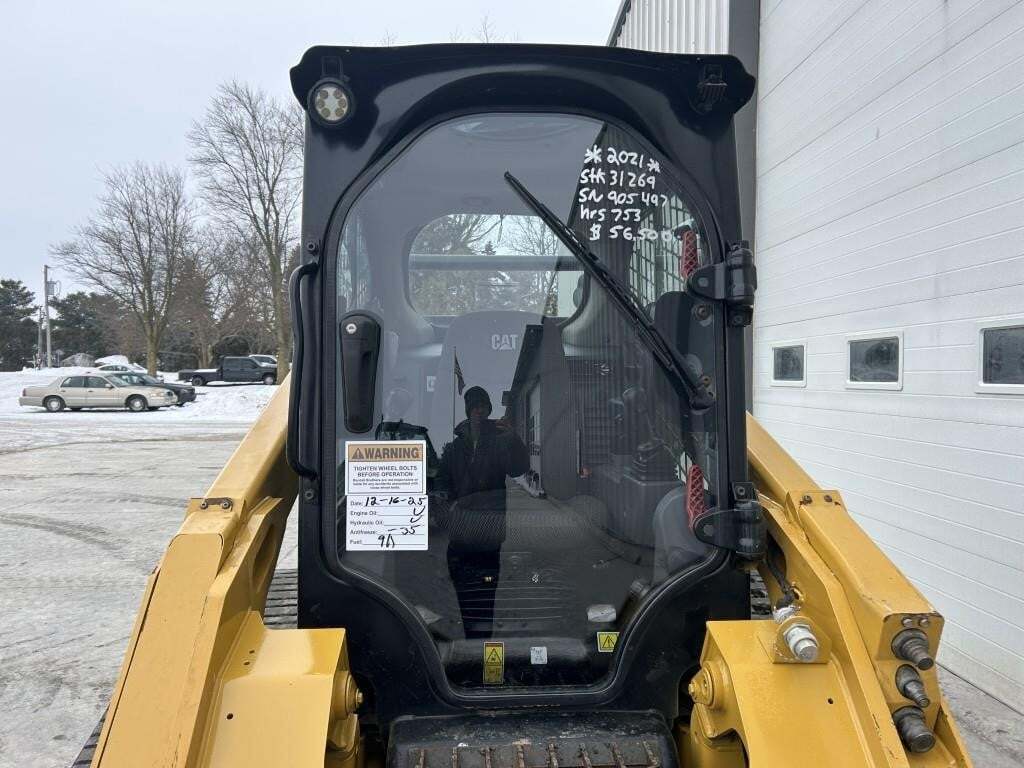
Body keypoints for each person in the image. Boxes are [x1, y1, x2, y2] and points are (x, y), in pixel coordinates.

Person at [436, 385, 529, 637]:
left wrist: (513, 438)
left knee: (485, 596)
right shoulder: (454, 448)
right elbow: (442, 483)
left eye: (483, 406)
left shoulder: (500, 442)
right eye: (473, 406)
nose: (478, 411)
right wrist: (446, 511)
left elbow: (519, 468)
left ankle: (482, 647)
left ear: (488, 409)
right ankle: (469, 640)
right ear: (468, 411)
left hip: (489, 534)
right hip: (460, 535)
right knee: (462, 593)